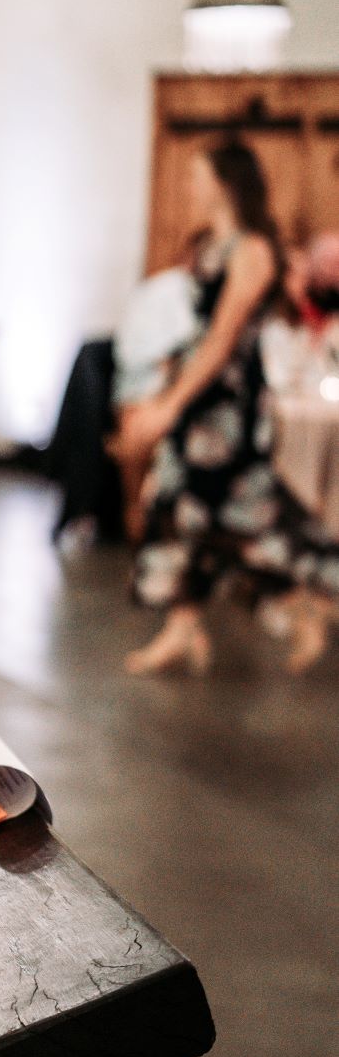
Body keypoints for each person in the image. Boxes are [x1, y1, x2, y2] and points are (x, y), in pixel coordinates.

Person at [112, 139, 328, 676]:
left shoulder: (253, 249)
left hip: (229, 411)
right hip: (196, 400)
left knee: (240, 519)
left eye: (198, 176)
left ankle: (300, 603)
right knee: (173, 508)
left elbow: (222, 340)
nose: (190, 186)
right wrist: (159, 389)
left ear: (225, 183)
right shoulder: (209, 245)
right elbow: (191, 332)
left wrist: (169, 406)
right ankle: (181, 629)